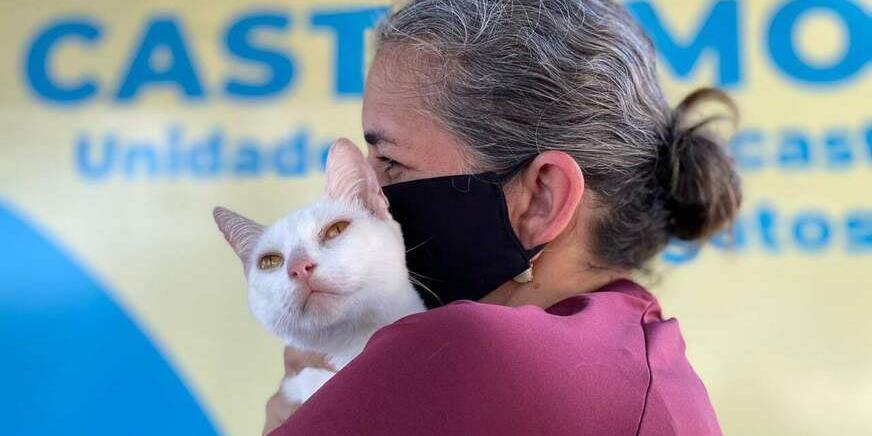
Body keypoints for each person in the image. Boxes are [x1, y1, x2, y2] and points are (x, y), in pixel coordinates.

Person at [265, 0, 740, 434]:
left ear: (541, 199)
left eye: (390, 162)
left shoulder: (466, 352)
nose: (363, 200)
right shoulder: (647, 361)